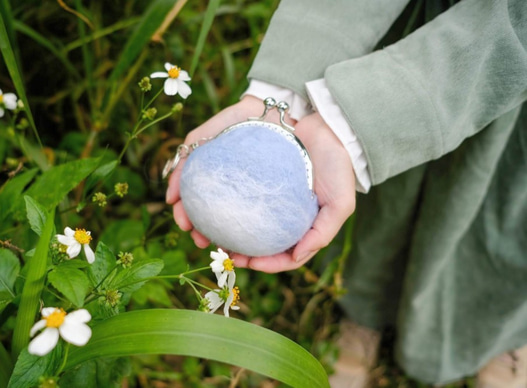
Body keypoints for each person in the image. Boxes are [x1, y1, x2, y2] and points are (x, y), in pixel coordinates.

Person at [166, 0, 527, 386]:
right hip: (404, 39)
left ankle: (499, 335)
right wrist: (281, 97)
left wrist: (352, 123)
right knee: (387, 212)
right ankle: (365, 311)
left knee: (501, 217)